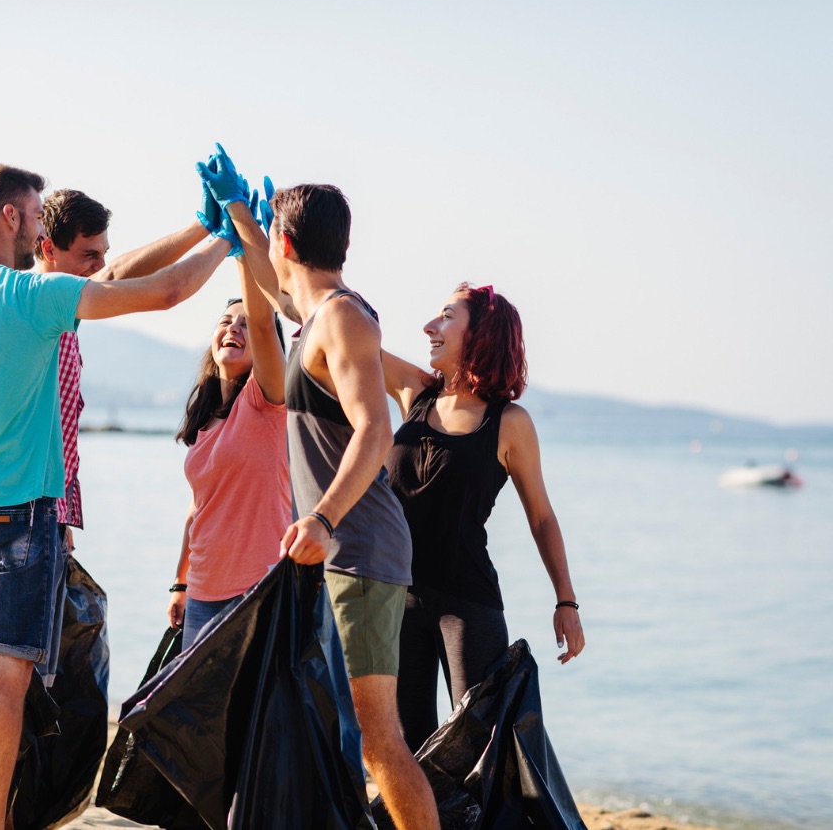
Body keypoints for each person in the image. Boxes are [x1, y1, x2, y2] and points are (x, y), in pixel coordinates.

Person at [0, 163, 232, 830]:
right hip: (23, 514)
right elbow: (161, 294)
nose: (41, 225)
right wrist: (231, 237)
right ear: (12, 217)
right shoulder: (25, 297)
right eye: (37, 214)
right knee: (5, 681)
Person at [213, 146, 441, 830]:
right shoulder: (312, 317)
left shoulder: (342, 317)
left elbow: (375, 431)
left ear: (288, 240)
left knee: (377, 738)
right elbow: (272, 286)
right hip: (341, 553)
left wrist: (320, 517)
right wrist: (236, 218)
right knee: (342, 732)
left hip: (360, 550)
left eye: (269, 236)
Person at [382, 283, 585, 753]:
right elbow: (341, 328)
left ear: (481, 335)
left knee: (479, 749)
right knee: (406, 746)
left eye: (446, 316)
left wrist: (566, 603)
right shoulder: (415, 393)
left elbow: (541, 517)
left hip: (466, 605)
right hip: (396, 598)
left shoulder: (509, 422)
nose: (429, 327)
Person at [33, 188, 211, 560]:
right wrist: (222, 233)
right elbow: (168, 292)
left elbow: (115, 273)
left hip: (45, 510)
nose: (99, 266)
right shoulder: (39, 300)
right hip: (30, 512)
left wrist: (202, 227)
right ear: (49, 249)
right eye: (88, 255)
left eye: (102, 253)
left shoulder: (61, 302)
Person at [166, 263, 289, 648]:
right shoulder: (206, 424)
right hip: (202, 590)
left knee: (250, 708)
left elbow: (266, 322)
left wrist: (244, 254)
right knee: (197, 707)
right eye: (225, 321)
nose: (234, 327)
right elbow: (198, 509)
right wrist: (180, 582)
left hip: (256, 588)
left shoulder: (267, 400)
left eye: (244, 323)